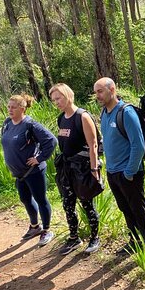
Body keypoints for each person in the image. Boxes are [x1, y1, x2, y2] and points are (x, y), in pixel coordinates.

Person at [94, 77, 145, 250]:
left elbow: (138, 145)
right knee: (125, 208)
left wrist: (129, 171)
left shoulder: (126, 112)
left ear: (112, 90)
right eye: (96, 92)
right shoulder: (104, 112)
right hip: (113, 172)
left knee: (138, 209)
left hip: (129, 173)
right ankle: (134, 241)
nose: (97, 95)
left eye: (100, 91)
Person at [50, 83, 101, 255]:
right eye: (53, 100)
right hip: (66, 169)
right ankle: (74, 237)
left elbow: (93, 145)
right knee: (68, 204)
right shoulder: (61, 118)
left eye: (58, 98)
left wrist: (95, 170)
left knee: (87, 203)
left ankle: (95, 238)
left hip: (83, 168)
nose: (56, 102)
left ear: (67, 95)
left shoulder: (82, 116)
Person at [1, 94, 58, 246]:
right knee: (25, 199)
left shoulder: (30, 125)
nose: (10, 110)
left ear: (22, 108)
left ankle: (46, 230)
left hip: (34, 172)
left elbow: (51, 140)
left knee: (40, 200)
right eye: (9, 106)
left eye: (13, 107)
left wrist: (39, 158)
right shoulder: (7, 123)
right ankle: (35, 227)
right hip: (19, 173)